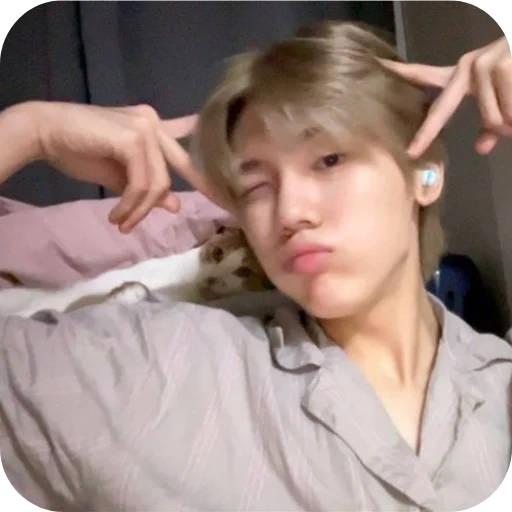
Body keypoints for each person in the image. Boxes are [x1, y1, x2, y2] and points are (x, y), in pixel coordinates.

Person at [0, 22, 510, 511]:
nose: (290, 212)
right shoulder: (163, 370)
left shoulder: (498, 384)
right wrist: (30, 131)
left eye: (329, 159)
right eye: (256, 186)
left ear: (424, 174)